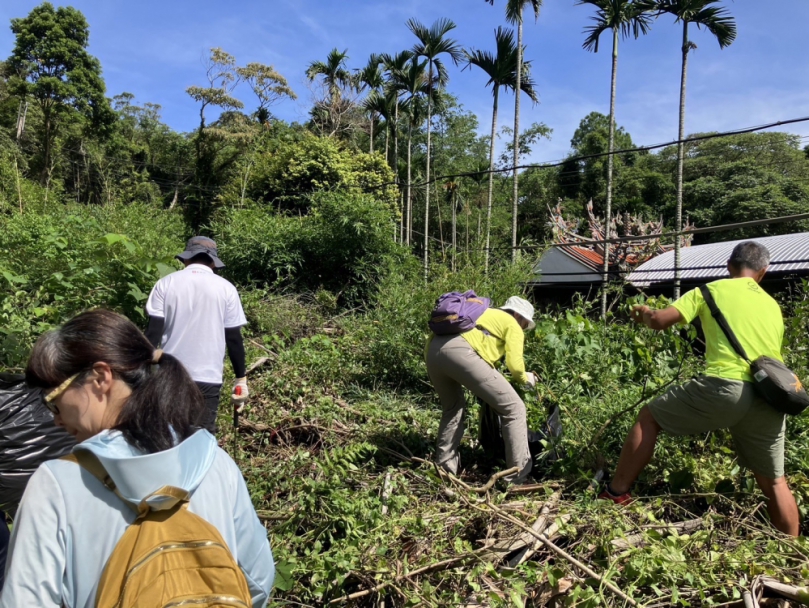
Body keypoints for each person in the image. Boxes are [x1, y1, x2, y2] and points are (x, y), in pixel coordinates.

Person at [0, 309, 274, 606]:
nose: (55, 420)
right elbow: (258, 580)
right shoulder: (215, 462)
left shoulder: (56, 484)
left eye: (52, 402)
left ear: (100, 377)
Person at [601, 241, 800, 536]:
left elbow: (659, 321)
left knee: (649, 417)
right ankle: (793, 553)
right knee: (774, 481)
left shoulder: (710, 290)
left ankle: (616, 493)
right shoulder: (772, 305)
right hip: (769, 396)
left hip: (726, 387)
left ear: (729, 266)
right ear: (763, 272)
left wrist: (643, 312)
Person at [426, 296, 539, 485]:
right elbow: (515, 366)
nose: (523, 328)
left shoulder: (480, 314)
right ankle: (516, 476)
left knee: (453, 408)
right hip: (462, 352)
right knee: (514, 408)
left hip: (432, 352)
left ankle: (445, 470)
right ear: (519, 316)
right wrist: (526, 378)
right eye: (525, 324)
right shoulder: (511, 323)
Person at [145, 236, 248, 432]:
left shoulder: (165, 284)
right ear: (213, 262)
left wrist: (140, 373)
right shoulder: (226, 289)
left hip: (170, 376)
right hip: (208, 379)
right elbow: (234, 339)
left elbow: (152, 333)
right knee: (200, 442)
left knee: (166, 439)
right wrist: (240, 378)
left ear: (186, 259)